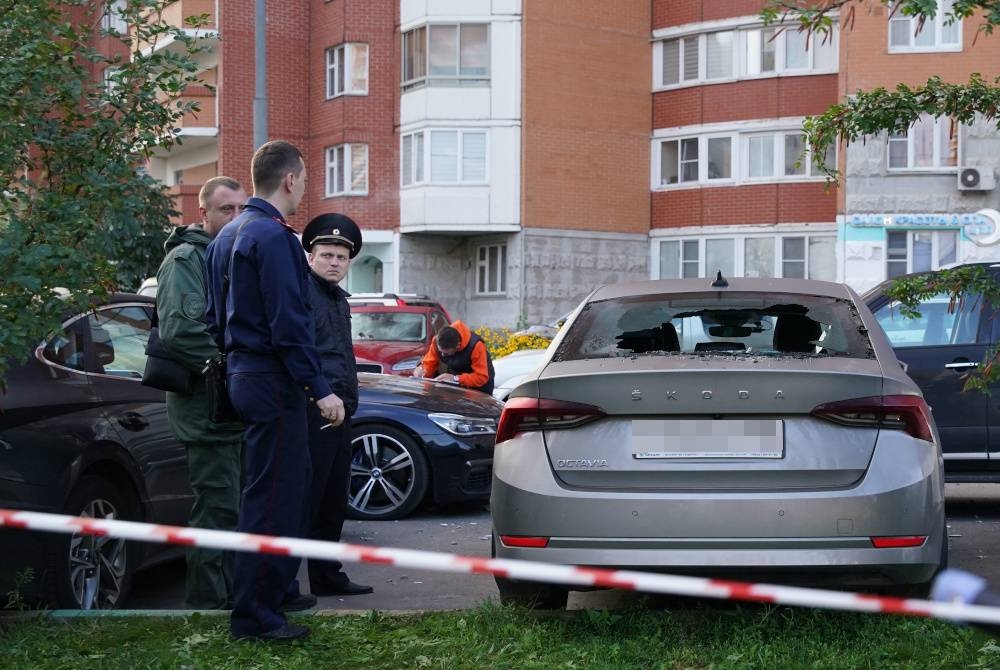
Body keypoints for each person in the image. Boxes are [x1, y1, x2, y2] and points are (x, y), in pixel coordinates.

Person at [205, 140, 345, 642]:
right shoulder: (274, 237)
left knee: (269, 491)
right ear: (290, 180)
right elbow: (290, 323)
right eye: (305, 177)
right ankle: (257, 618)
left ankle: (275, 595)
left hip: (243, 374)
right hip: (272, 380)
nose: (305, 185)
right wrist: (319, 387)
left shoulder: (225, 236)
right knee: (274, 499)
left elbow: (213, 318)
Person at [154, 176, 246, 610]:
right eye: (226, 210)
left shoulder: (229, 256)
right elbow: (181, 332)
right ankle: (209, 608)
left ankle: (233, 597)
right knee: (217, 511)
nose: (235, 217)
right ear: (203, 214)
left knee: (236, 508)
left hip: (230, 409)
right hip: (205, 408)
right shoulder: (186, 259)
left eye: (241, 209)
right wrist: (234, 370)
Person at [299, 213, 372, 597]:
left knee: (332, 500)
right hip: (313, 412)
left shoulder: (338, 300)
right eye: (326, 254)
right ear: (310, 256)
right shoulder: (303, 294)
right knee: (306, 501)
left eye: (341, 258)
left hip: (340, 412)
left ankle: (327, 576)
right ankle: (286, 585)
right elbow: (304, 354)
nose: (334, 262)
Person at [412, 320, 496, 394]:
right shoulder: (436, 341)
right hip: (457, 382)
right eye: (440, 352)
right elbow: (430, 363)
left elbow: (481, 377)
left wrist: (455, 378)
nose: (442, 356)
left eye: (446, 354)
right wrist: (423, 371)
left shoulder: (476, 346)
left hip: (481, 387)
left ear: (458, 346)